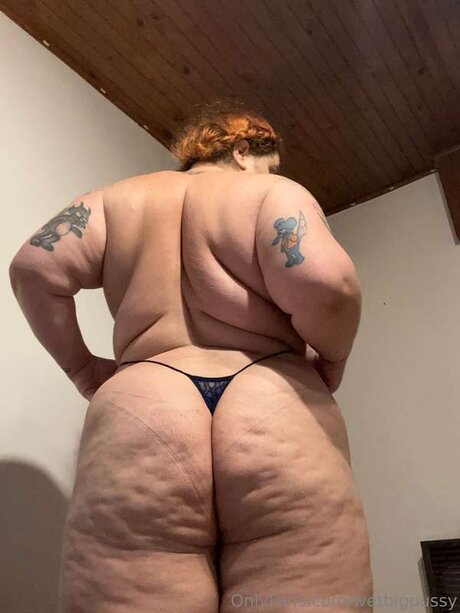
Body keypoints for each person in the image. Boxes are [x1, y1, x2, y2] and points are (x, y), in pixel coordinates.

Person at [9, 99, 373, 612]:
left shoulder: (112, 202)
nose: (270, 175)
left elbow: (32, 269)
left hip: (144, 400)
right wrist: (333, 359)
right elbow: (327, 285)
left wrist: (83, 369)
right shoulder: (272, 194)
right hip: (273, 396)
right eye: (269, 164)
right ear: (243, 150)